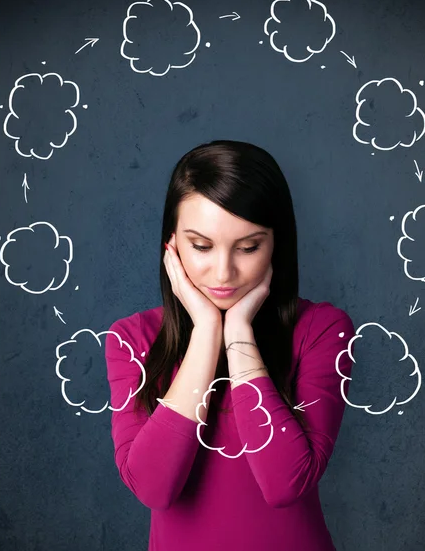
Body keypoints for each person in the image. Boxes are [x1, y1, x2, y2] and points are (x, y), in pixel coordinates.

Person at [105, 139, 355, 551]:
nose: (224, 272)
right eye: (201, 246)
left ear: (277, 244)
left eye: (249, 247)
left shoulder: (324, 330)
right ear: (171, 245)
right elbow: (153, 489)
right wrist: (206, 330)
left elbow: (285, 484)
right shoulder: (132, 340)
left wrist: (238, 333)